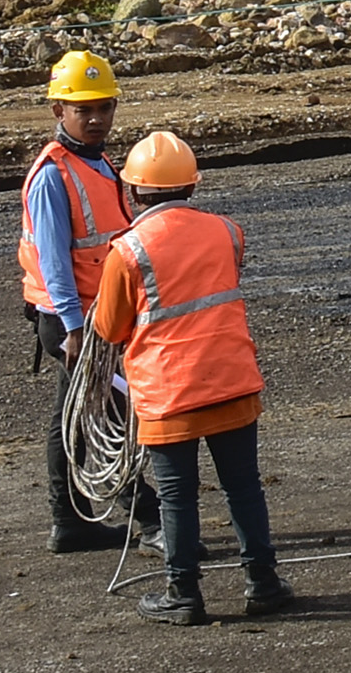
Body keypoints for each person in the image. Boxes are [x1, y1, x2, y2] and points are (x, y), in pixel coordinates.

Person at [87, 130, 292, 625]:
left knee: (177, 494)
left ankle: (183, 593)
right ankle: (261, 581)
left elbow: (110, 327)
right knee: (243, 486)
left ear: (133, 192)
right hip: (231, 380)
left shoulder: (128, 251)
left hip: (167, 394)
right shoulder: (227, 231)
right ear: (193, 186)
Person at [20, 51, 158, 555]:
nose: (97, 118)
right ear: (60, 110)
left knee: (76, 414)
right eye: (85, 110)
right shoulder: (54, 175)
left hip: (95, 315)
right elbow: (56, 261)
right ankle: (151, 516)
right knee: (111, 413)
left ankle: (70, 522)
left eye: (104, 107)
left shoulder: (97, 163)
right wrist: (77, 330)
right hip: (71, 320)